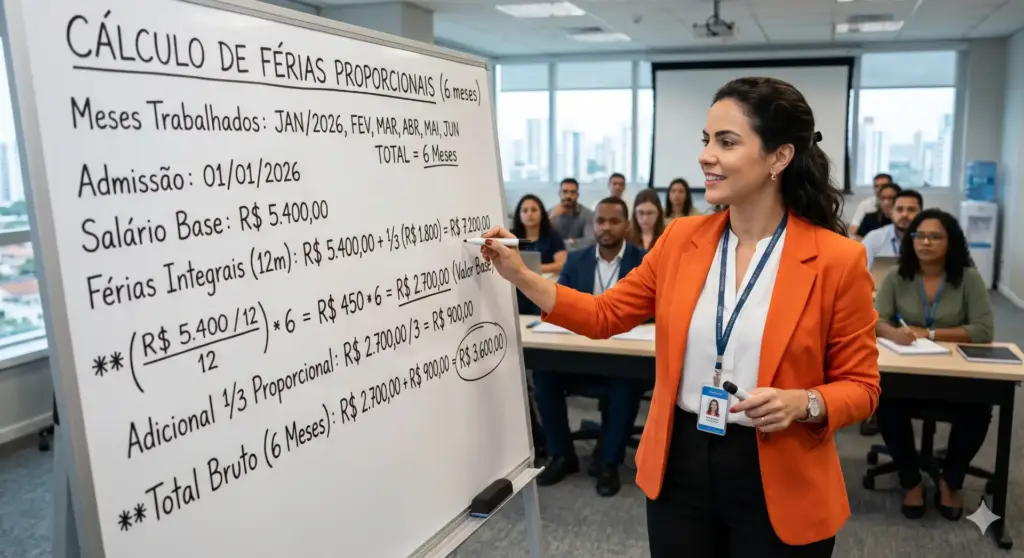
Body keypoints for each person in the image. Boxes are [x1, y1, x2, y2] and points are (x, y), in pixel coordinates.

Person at [479, 77, 880, 557]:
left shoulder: (837, 260)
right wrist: (521, 275)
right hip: (681, 462)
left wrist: (806, 402)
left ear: (780, 157)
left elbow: (862, 386)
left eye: (726, 142)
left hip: (779, 466)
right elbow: (604, 314)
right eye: (706, 140)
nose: (706, 155)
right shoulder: (681, 240)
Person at [873, 209, 994, 521]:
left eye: (935, 236)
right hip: (907, 369)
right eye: (919, 236)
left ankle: (950, 481)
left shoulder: (968, 278)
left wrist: (931, 333)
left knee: (980, 407)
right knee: (886, 401)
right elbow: (875, 320)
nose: (925, 242)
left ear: (951, 242)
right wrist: (894, 333)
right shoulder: (898, 275)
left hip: (956, 374)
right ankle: (911, 481)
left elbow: (983, 330)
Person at [532, 197, 648, 497]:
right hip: (579, 354)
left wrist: (615, 319)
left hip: (624, 354)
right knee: (543, 375)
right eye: (600, 221)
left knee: (627, 381)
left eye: (613, 221)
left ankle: (609, 462)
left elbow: (653, 307)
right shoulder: (577, 259)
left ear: (626, 225)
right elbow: (562, 301)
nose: (606, 227)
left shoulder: (644, 260)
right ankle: (562, 454)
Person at [510, 194, 566, 315]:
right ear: (519, 216)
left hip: (545, 285)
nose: (529, 214)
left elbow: (562, 264)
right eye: (525, 211)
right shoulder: (511, 237)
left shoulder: (553, 236)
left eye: (534, 210)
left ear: (541, 214)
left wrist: (535, 269)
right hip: (518, 286)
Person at [861, 189, 922, 270]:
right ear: (891, 213)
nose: (904, 215)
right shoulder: (874, 238)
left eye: (911, 210)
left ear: (921, 213)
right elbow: (860, 272)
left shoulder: (928, 239)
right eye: (899, 209)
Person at [548, 178, 596, 249]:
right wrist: (551, 218)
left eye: (572, 192)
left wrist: (561, 244)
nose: (568, 196)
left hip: (580, 256)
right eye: (565, 192)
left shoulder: (588, 214)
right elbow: (542, 240)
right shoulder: (550, 213)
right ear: (559, 194)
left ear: (577, 195)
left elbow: (590, 240)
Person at [849, 173, 893, 237]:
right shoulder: (865, 204)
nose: (879, 189)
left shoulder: (900, 202)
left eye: (883, 186)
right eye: (876, 186)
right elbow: (853, 228)